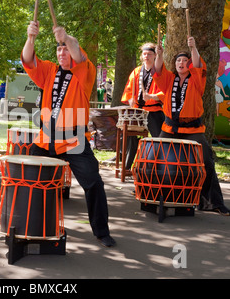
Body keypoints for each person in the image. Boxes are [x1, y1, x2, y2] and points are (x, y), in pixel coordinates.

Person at [21, 20, 116, 247]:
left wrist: (67, 37)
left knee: (93, 183)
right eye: (59, 49)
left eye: (66, 49)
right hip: (46, 139)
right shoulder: (49, 71)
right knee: (31, 181)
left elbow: (78, 53)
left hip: (74, 140)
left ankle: (101, 231)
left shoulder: (84, 73)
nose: (63, 52)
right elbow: (27, 58)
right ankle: (31, 225)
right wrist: (30, 38)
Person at [153, 36, 230, 216]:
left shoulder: (197, 80)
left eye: (185, 60)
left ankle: (213, 203)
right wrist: (160, 54)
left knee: (206, 162)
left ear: (189, 65)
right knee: (156, 158)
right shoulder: (169, 79)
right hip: (170, 128)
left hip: (193, 130)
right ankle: (154, 194)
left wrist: (193, 48)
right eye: (178, 60)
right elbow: (157, 70)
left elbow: (198, 65)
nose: (181, 63)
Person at [121, 43, 165, 170]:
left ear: (155, 55)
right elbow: (128, 89)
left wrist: (152, 96)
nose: (147, 56)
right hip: (137, 111)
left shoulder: (160, 71)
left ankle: (158, 166)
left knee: (159, 138)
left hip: (154, 110)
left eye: (150, 54)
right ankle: (127, 166)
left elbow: (165, 91)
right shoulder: (136, 71)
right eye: (145, 54)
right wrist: (130, 99)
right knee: (130, 136)